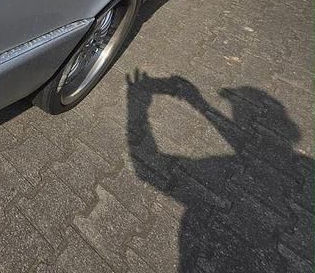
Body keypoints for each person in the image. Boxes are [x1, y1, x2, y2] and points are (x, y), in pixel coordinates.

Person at [126, 71, 311, 272]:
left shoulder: (297, 167)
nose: (239, 114)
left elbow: (147, 169)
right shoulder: (300, 170)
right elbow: (254, 150)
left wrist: (137, 102)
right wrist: (203, 107)